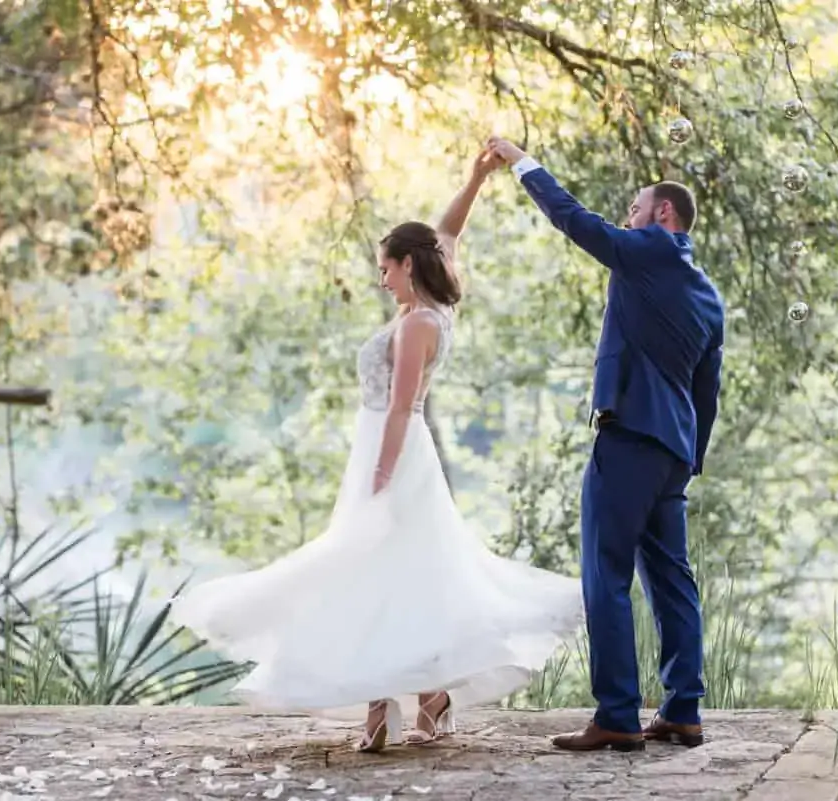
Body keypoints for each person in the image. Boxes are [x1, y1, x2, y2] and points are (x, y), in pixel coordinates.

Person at [170, 149, 584, 753]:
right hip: (382, 447)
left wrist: (382, 472)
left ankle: (401, 701)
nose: (380, 278)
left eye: (385, 268)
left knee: (387, 569)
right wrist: (474, 179)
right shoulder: (428, 306)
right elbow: (449, 231)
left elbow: (403, 406)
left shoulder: (420, 324)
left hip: (396, 452)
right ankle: (410, 698)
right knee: (390, 575)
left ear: (407, 266)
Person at [485, 136, 725, 752]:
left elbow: (575, 221)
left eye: (636, 207)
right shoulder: (707, 294)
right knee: (673, 580)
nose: (627, 215)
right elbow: (707, 392)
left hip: (630, 440)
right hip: (673, 450)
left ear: (663, 215)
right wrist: (687, 462)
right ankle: (683, 711)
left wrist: (522, 163)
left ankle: (617, 715)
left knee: (606, 575)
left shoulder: (649, 251)